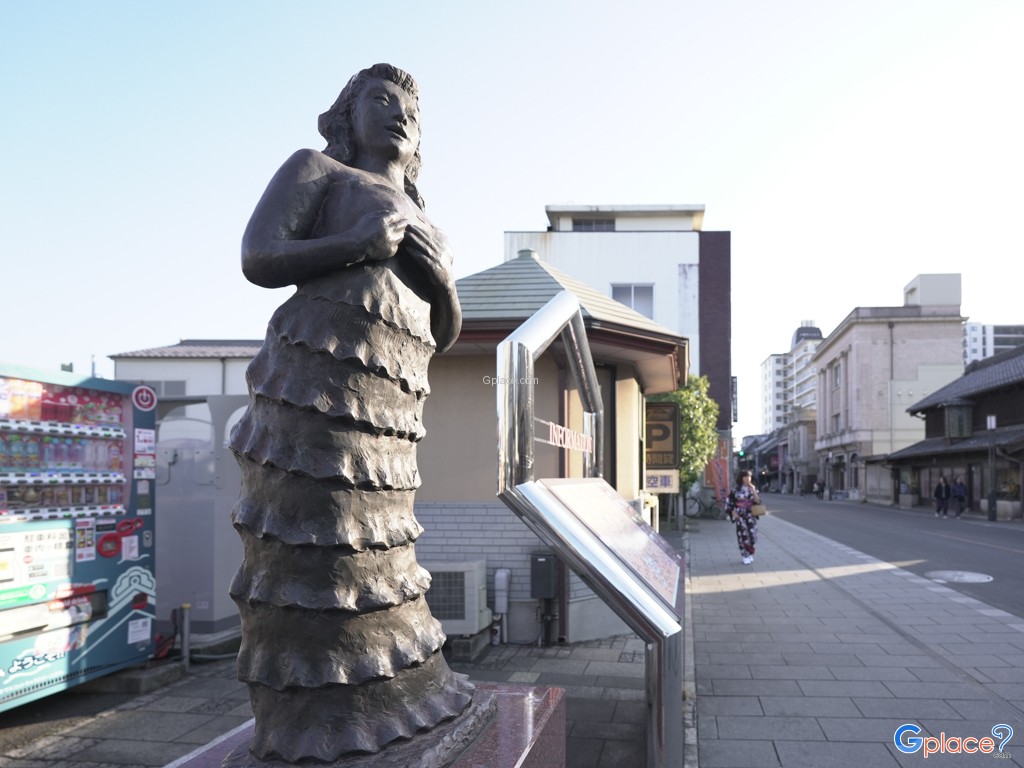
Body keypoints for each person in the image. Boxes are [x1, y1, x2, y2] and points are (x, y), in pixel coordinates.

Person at [227, 64, 471, 763]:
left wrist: (442, 281)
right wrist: (355, 247)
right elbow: (259, 256)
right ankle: (313, 717)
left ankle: (401, 696)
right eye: (380, 100)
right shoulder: (319, 171)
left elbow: (444, 331)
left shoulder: (431, 221)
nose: (398, 115)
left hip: (390, 404)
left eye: (411, 111)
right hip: (317, 375)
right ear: (347, 113)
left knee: (382, 541)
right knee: (318, 539)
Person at [728, 470, 762, 565]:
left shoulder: (753, 488)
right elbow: (729, 502)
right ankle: (744, 555)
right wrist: (733, 512)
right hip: (740, 516)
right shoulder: (736, 489)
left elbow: (758, 501)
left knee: (753, 536)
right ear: (741, 478)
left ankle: (750, 552)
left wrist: (753, 490)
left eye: (749, 477)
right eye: (745, 477)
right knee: (743, 536)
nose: (748, 479)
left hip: (751, 515)